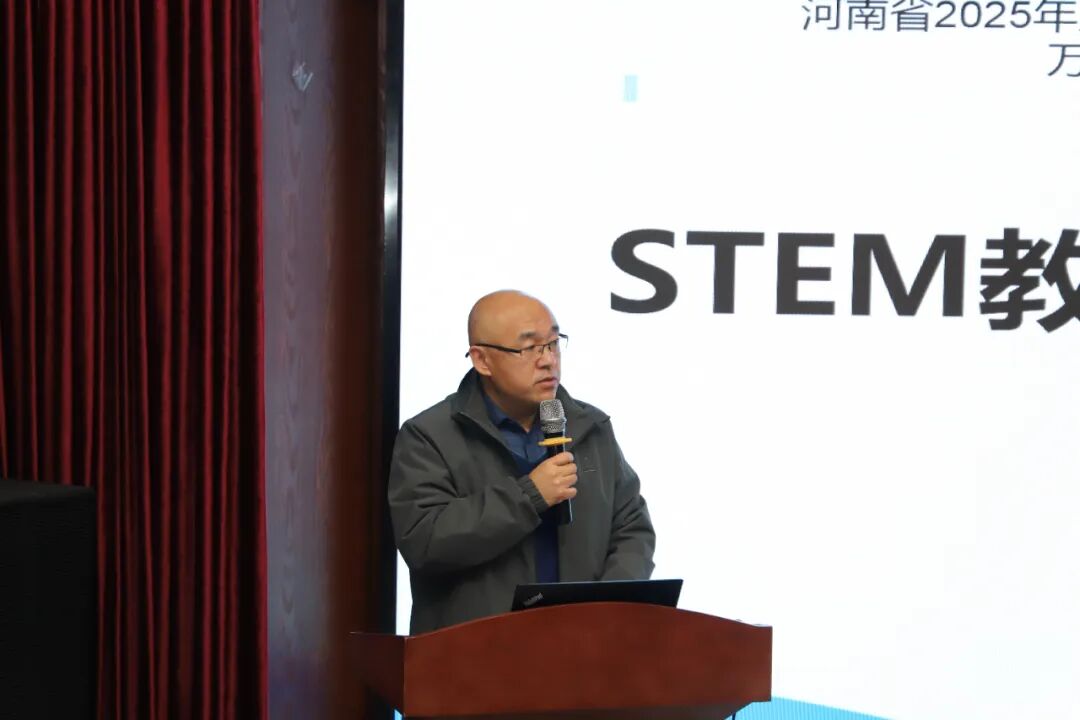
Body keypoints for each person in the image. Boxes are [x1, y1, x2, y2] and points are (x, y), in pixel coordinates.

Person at [388, 290, 656, 634]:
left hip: (581, 645)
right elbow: (425, 542)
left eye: (553, 343)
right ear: (482, 360)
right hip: (476, 652)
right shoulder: (429, 436)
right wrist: (530, 495)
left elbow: (632, 527)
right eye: (529, 348)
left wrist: (607, 608)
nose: (548, 361)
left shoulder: (589, 427)